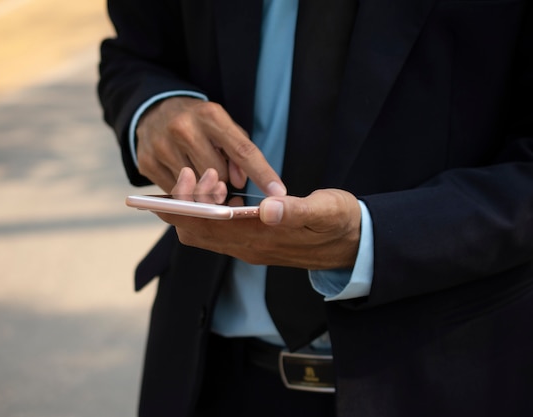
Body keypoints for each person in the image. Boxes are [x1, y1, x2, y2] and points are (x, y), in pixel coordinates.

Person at [98, 0, 533, 416]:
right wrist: (156, 109)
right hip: (210, 370)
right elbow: (135, 53)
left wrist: (377, 237)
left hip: (446, 378)